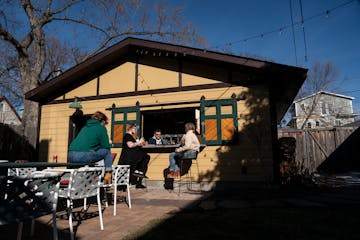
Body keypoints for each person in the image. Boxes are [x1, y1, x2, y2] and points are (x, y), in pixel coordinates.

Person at [68, 111, 113, 184]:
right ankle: (108, 174)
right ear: (102, 121)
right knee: (107, 152)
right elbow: (105, 146)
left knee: (90, 156)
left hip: (71, 154)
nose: (105, 125)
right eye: (105, 124)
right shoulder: (101, 127)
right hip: (83, 155)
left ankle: (82, 182)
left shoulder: (85, 126)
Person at [119, 123, 150, 189]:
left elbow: (135, 144)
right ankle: (138, 171)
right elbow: (130, 145)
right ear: (131, 128)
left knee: (146, 157)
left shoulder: (132, 136)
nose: (136, 130)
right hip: (129, 157)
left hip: (132, 157)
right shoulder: (127, 135)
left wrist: (142, 143)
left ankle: (139, 172)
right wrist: (139, 142)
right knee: (146, 157)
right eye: (135, 129)